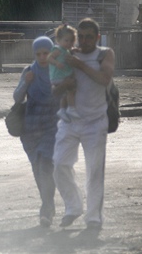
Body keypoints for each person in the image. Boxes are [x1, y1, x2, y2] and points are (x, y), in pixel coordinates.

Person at [52, 18, 115, 231]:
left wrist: (79, 65)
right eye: (82, 36)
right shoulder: (68, 53)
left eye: (90, 37)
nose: (85, 41)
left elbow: (105, 78)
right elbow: (54, 86)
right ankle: (73, 206)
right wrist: (64, 85)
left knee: (95, 171)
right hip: (70, 120)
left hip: (95, 122)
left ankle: (94, 216)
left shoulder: (104, 54)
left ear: (97, 38)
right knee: (59, 164)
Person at [13, 36, 60, 228]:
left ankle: (46, 208)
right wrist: (25, 83)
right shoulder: (29, 71)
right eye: (38, 54)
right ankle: (47, 202)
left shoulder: (58, 71)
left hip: (53, 126)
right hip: (31, 128)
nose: (42, 57)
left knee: (46, 167)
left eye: (45, 53)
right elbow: (17, 98)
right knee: (37, 169)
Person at [48, 24, 81, 122]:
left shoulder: (66, 50)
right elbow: (49, 58)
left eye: (71, 41)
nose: (69, 43)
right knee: (71, 89)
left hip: (62, 75)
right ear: (58, 40)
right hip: (58, 76)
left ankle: (64, 109)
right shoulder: (57, 49)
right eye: (66, 40)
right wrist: (56, 62)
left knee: (68, 92)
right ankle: (69, 108)